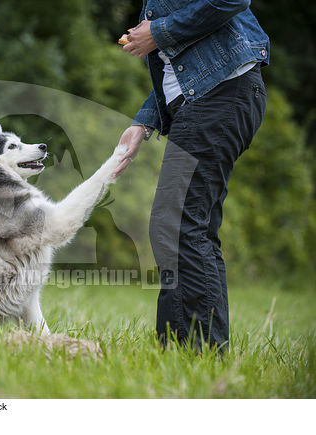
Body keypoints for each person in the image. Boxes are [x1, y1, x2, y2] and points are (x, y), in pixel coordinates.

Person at [115, 0, 269, 348]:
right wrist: (144, 122)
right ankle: (187, 347)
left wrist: (157, 32)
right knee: (186, 225)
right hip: (209, 99)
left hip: (222, 96)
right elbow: (181, 72)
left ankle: (196, 351)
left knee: (179, 224)